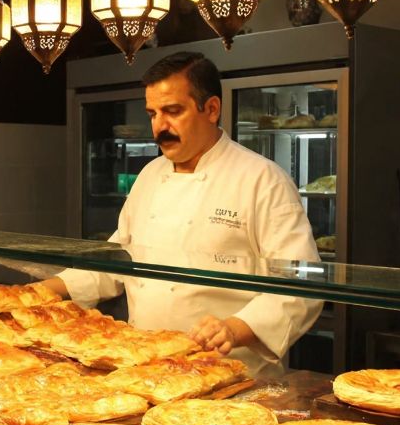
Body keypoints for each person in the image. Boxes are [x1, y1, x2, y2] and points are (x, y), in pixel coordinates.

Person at [43, 51, 322, 375]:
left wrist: (234, 328)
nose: (160, 126)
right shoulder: (149, 175)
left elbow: (300, 286)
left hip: (229, 377)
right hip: (145, 365)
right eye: (153, 113)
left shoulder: (262, 179)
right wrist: (39, 292)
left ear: (212, 109)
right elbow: (118, 259)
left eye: (173, 111)